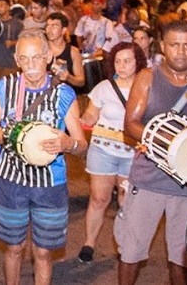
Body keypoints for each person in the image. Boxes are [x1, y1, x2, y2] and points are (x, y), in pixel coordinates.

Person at [117, 19, 187, 285]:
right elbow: (130, 124)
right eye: (174, 45)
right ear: (162, 46)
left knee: (183, 255)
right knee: (131, 250)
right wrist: (170, 141)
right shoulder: (147, 77)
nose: (181, 51)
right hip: (149, 178)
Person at [0, 28, 87, 285]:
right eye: (25, 59)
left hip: (50, 185)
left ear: (48, 57)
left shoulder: (63, 94)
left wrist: (67, 143)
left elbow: (82, 146)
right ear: (17, 60)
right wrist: (12, 136)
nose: (31, 65)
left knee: (43, 253)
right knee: (14, 248)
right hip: (11, 182)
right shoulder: (5, 87)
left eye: (37, 58)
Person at [77, 42, 147, 264]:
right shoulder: (103, 88)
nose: (122, 65)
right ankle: (89, 243)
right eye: (118, 61)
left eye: (127, 61)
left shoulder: (146, 88)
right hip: (102, 149)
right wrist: (75, 122)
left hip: (132, 152)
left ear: (138, 63)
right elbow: (90, 116)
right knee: (99, 198)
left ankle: (123, 242)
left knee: (126, 200)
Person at [45, 12, 85, 89]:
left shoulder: (73, 52)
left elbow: (81, 81)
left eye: (54, 26)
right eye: (47, 25)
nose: (49, 30)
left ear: (63, 30)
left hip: (65, 95)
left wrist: (68, 77)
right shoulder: (41, 49)